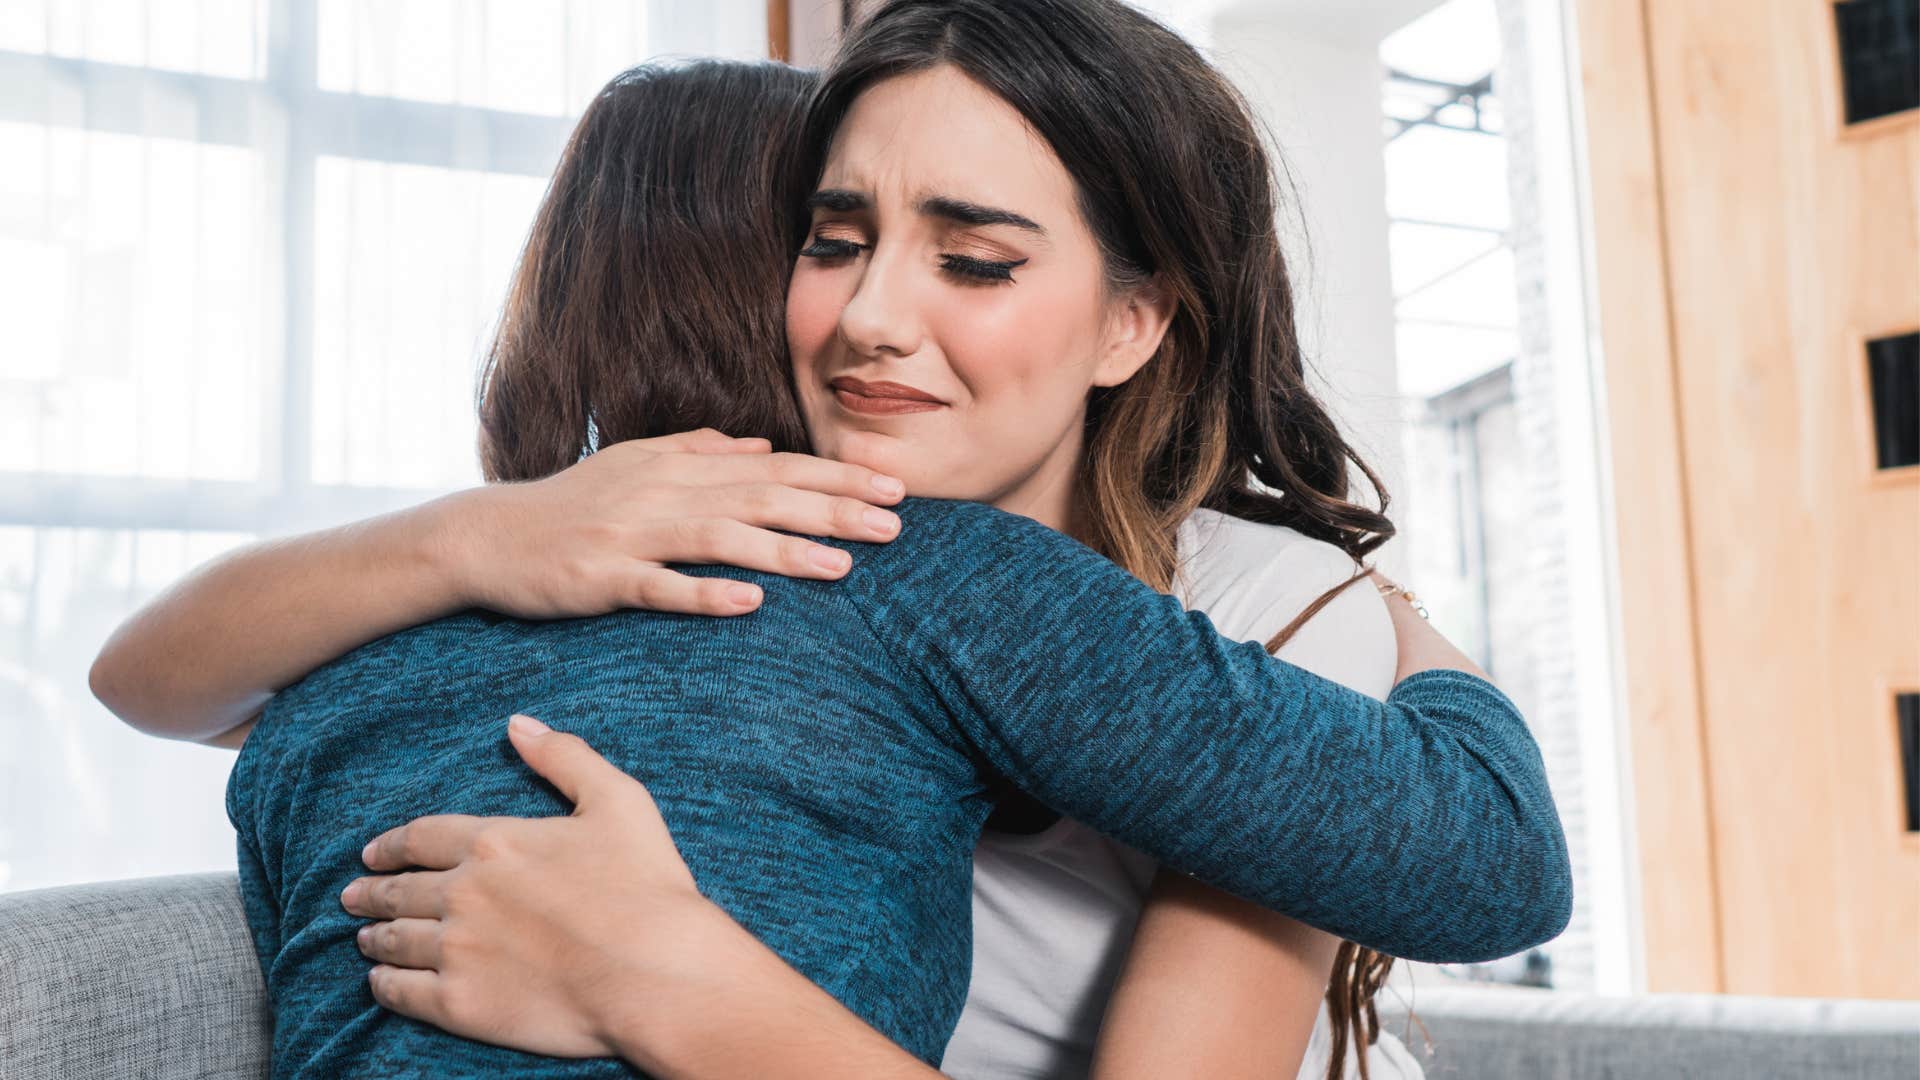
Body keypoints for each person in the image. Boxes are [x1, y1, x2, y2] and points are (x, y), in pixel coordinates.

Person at [93, 5, 1569, 1078]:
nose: (871, 317)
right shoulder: (774, 567)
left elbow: (1493, 863)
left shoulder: (1246, 600)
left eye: (976, 259)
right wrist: (495, 533)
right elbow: (150, 675)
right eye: (831, 238)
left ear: (1135, 320)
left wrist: (667, 980)